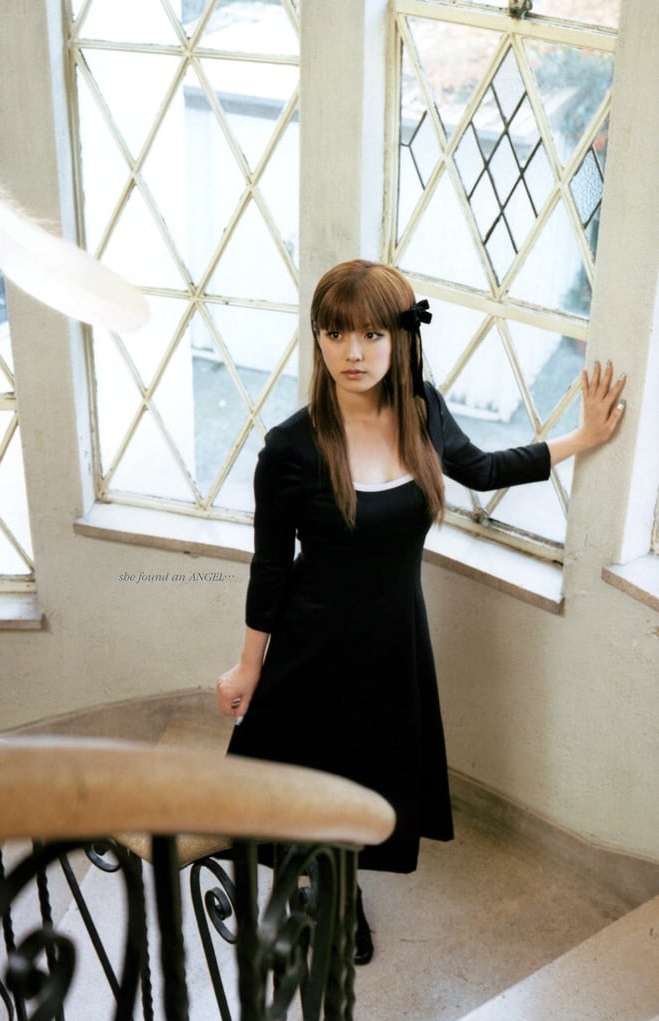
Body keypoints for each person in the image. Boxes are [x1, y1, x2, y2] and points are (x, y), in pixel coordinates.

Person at [216, 259, 626, 964]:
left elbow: (484, 469)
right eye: (335, 333)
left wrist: (580, 438)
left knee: (369, 780)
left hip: (394, 644)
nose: (352, 352)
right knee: (310, 782)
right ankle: (316, 884)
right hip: (311, 650)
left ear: (401, 337)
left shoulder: (422, 410)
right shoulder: (288, 449)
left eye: (371, 334)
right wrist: (248, 664)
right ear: (317, 339)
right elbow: (271, 567)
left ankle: (341, 887)